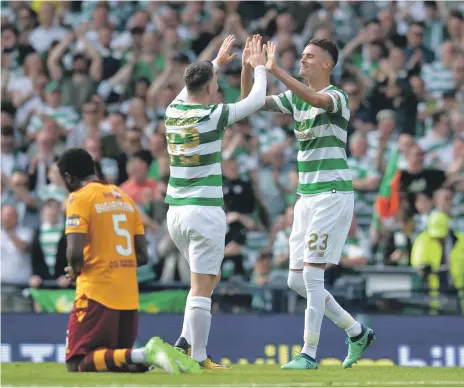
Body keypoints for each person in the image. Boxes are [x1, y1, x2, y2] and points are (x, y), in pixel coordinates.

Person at [242, 38, 375, 370]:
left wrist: (275, 70)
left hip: (332, 193)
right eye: (301, 55)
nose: (302, 59)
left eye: (309, 56)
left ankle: (308, 353)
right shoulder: (293, 99)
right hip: (306, 197)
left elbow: (314, 97)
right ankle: (356, 331)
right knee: (295, 281)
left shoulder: (337, 97)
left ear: (326, 65)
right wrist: (251, 67)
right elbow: (251, 102)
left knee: (313, 276)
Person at [167, 35, 268, 369]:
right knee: (203, 287)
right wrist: (260, 68)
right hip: (203, 210)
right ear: (211, 89)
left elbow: (192, 82)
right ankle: (200, 357)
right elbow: (255, 100)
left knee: (202, 282)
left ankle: (184, 342)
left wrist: (216, 63)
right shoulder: (212, 116)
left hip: (176, 214)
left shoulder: (173, 111)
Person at [57, 148, 200, 375]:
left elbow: (74, 252)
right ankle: (157, 356)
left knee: (77, 361)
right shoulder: (124, 198)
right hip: (128, 296)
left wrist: (74, 271)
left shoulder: (79, 197)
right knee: (120, 361)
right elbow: (143, 256)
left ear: (68, 177)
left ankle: (147, 352)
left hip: (97, 292)